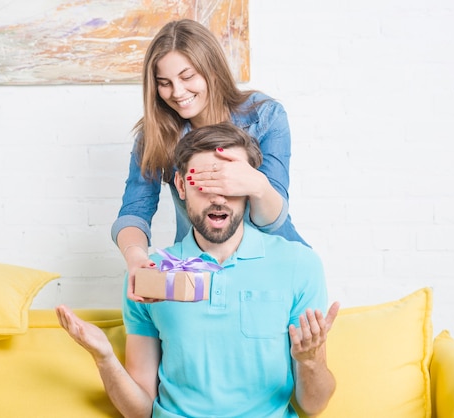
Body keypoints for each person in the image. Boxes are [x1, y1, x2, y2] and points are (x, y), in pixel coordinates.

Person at [57, 122, 339, 418]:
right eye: (204, 183)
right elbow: (140, 411)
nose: (218, 198)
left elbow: (314, 405)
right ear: (181, 185)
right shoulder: (150, 275)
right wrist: (104, 358)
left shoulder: (298, 265)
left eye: (230, 184)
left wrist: (310, 361)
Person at [111, 19, 308, 302]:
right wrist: (136, 257)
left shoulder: (265, 117)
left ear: (211, 69)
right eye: (164, 83)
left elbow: (272, 220)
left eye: (187, 76)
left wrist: (255, 185)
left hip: (275, 267)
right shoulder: (156, 134)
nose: (177, 92)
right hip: (202, 274)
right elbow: (134, 212)